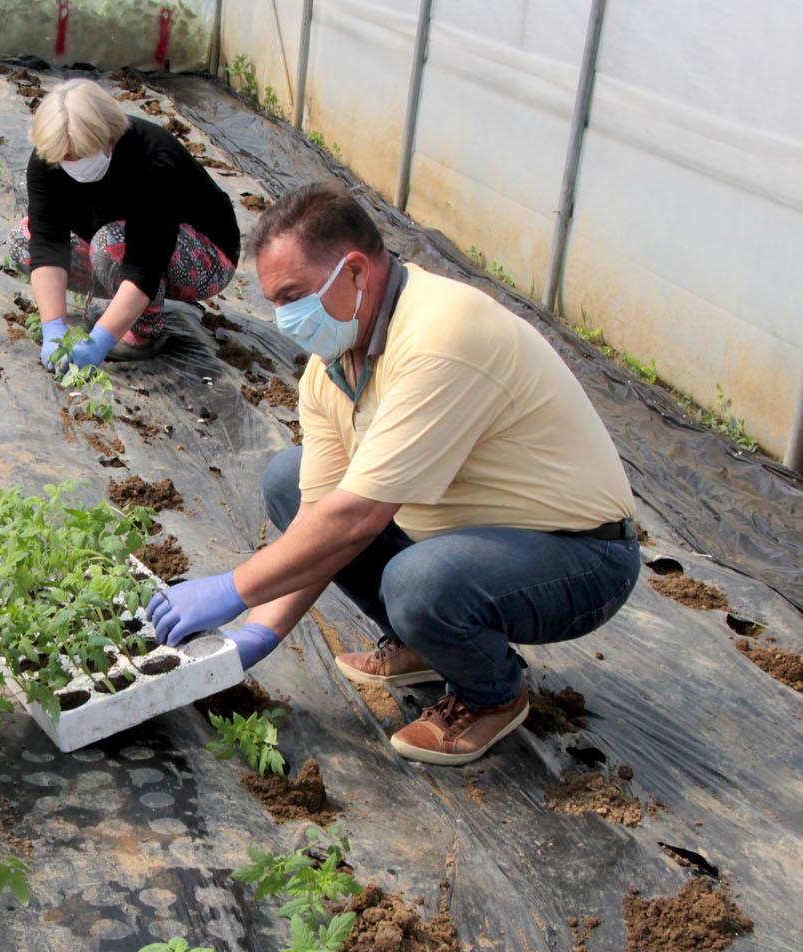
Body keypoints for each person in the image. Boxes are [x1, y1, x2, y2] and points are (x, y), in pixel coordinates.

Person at [146, 182, 641, 766]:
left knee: (418, 583)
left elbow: (358, 517)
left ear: (355, 272)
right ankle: (423, 644)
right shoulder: (332, 368)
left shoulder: (442, 337)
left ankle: (491, 697)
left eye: (294, 296)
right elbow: (319, 519)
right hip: (460, 536)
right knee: (291, 478)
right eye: (276, 301)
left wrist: (233, 589)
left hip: (577, 557)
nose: (285, 320)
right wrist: (261, 631)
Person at [10, 77, 239, 367]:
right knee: (24, 240)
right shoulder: (50, 156)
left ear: (108, 139)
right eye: (64, 158)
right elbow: (48, 241)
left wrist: (100, 340)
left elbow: (145, 262)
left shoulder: (153, 160)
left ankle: (144, 333)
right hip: (116, 244)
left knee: (112, 244)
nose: (71, 163)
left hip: (205, 255)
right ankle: (121, 307)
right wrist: (53, 329)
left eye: (78, 155)